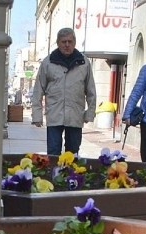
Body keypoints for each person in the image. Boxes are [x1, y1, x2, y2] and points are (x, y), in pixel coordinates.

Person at [31, 28, 96, 156]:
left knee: (72, 153)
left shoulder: (84, 63)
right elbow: (38, 90)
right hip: (55, 115)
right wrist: (37, 115)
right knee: (53, 152)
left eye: (70, 41)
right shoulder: (48, 62)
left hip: (75, 115)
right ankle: (54, 176)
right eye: (63, 42)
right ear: (58, 43)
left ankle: (70, 176)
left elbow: (91, 90)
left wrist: (90, 113)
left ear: (75, 43)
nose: (67, 45)